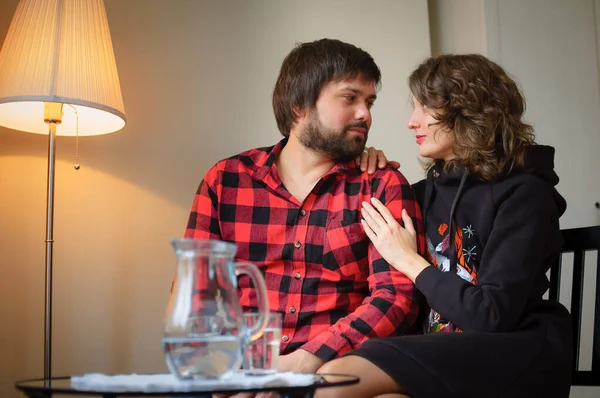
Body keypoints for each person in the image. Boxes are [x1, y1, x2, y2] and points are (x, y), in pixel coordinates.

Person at [316, 54, 573, 398]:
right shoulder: (424, 194)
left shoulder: (525, 195)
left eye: (425, 107)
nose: (412, 121)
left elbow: (490, 316)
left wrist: (409, 260)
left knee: (337, 379)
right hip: (442, 351)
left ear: (469, 110)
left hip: (515, 353)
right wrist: (373, 173)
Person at [184, 38, 425, 375]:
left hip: (334, 374)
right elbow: (196, 294)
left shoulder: (380, 185)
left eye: (369, 101)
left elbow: (397, 296)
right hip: (235, 371)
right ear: (299, 105)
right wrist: (227, 370)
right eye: (349, 97)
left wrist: (306, 360)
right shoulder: (226, 181)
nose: (365, 114)